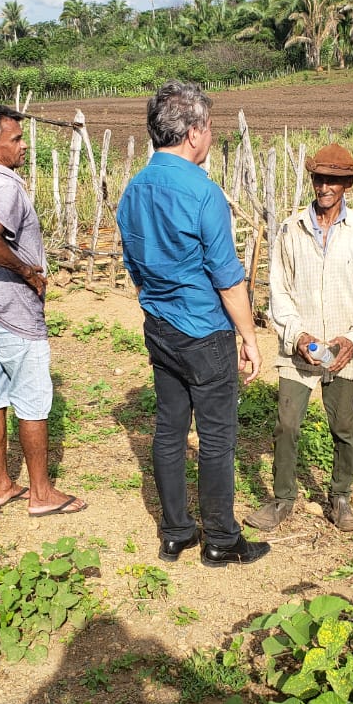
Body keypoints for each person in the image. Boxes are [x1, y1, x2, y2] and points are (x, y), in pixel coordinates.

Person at [116, 80, 270, 567]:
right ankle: (222, 539)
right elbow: (228, 280)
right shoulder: (204, 193)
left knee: (168, 429)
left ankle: (177, 531)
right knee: (218, 438)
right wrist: (248, 337)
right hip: (205, 332)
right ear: (195, 133)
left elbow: (135, 267)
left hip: (160, 326)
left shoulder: (134, 189)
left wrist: (159, 302)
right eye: (210, 129)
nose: (210, 137)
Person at [245, 144, 353, 533]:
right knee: (287, 425)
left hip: (344, 350)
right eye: (319, 178)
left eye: (334, 180)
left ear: (347, 185)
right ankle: (282, 499)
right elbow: (279, 291)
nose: (325, 186)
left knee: (343, 426)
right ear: (312, 180)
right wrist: (296, 334)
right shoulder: (292, 229)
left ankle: (340, 498)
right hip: (299, 351)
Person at [0, 104, 86, 517]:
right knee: (33, 402)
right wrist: (28, 270)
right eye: (16, 139)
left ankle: (1, 485)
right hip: (12, 310)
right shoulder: (7, 187)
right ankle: (41, 493)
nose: (24, 144)